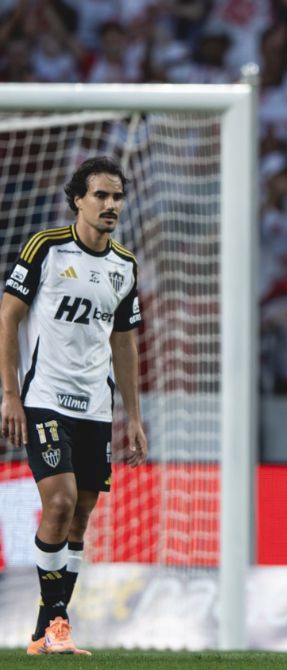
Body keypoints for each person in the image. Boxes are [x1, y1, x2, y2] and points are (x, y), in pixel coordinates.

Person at [0, 156, 148, 656]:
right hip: (43, 400)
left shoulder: (124, 266)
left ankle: (47, 632)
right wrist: (11, 395)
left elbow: (124, 343)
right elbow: (7, 318)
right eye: (100, 195)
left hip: (95, 408)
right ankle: (58, 620)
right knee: (58, 504)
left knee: (81, 518)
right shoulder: (45, 248)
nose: (110, 205)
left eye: (116, 196)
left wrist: (133, 416)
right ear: (78, 200)